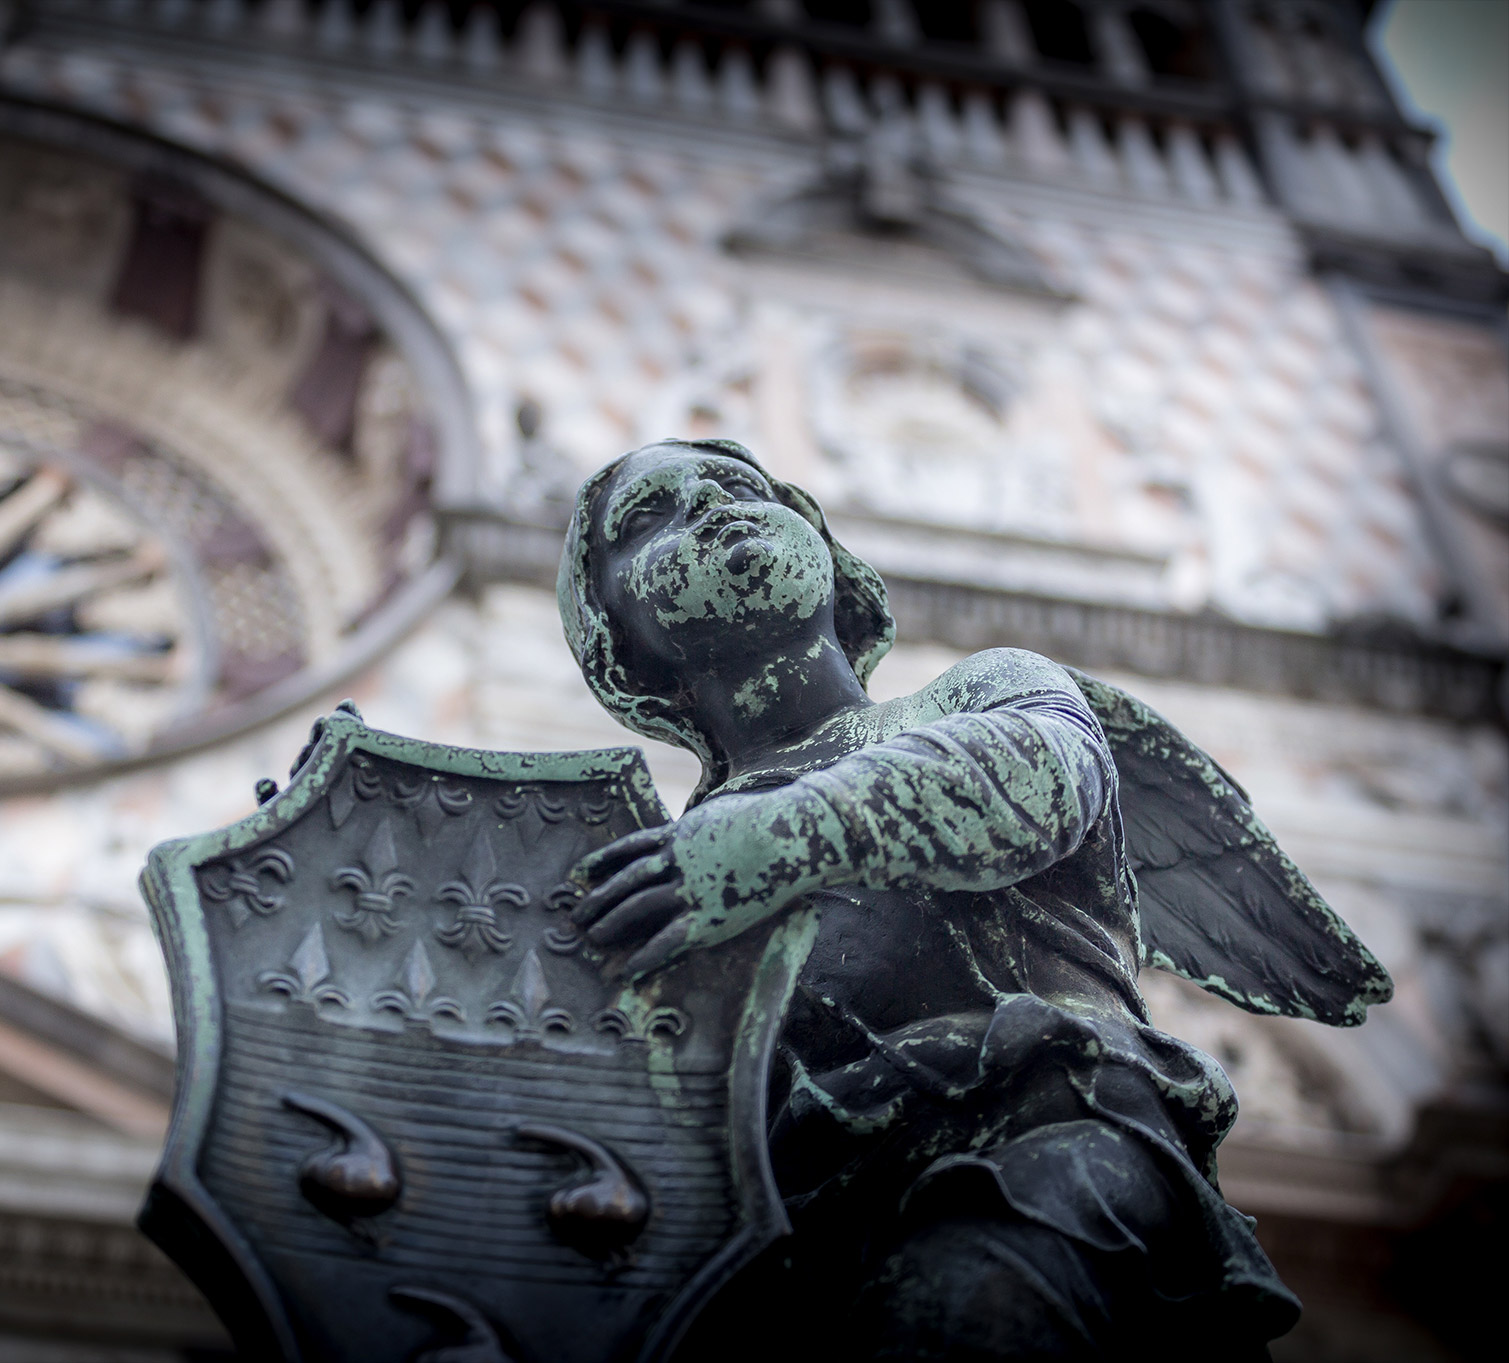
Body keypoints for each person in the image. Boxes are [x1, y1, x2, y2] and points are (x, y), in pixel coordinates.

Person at [556, 438, 1307, 1360]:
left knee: (954, 1316)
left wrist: (771, 840)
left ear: (826, 557)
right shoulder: (663, 883)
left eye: (739, 486)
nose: (708, 508)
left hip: (1051, 1142)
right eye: (647, 518)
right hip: (805, 1239)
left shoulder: (978, 694)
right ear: (616, 643)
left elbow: (1036, 778)